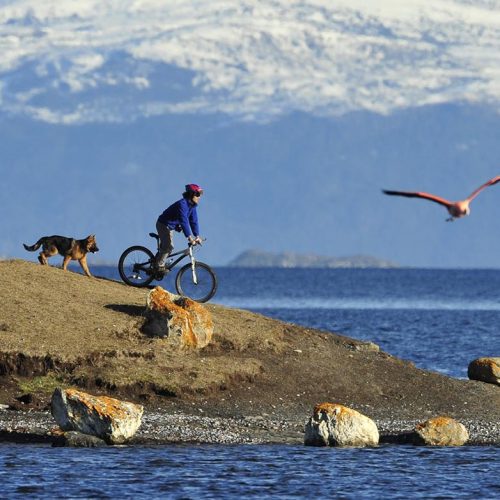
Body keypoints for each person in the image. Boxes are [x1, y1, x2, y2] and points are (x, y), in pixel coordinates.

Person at [155, 184, 204, 268]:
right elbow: (184, 221)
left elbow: (194, 221)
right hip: (163, 224)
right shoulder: (182, 204)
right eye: (198, 194)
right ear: (192, 194)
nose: (199, 197)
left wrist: (197, 236)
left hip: (171, 226)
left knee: (168, 249)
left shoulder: (192, 206)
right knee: (168, 246)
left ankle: (158, 261)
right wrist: (189, 237)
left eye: (200, 194)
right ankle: (158, 266)